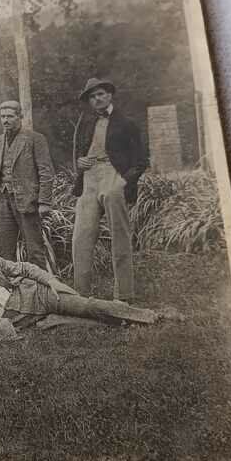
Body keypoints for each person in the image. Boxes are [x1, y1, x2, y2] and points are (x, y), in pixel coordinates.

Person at [0, 241, 166, 342]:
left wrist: (51, 281)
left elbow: (25, 267)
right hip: (19, 322)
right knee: (84, 323)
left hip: (38, 295)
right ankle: (126, 320)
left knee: (87, 306)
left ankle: (151, 316)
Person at [71, 77, 147, 303]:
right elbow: (77, 153)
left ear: (110, 95)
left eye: (101, 94)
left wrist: (125, 181)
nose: (97, 99)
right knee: (81, 236)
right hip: (89, 179)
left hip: (114, 176)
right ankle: (80, 295)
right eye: (93, 97)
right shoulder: (84, 122)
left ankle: (123, 296)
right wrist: (79, 162)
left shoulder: (126, 123)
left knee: (119, 236)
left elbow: (142, 160)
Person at [0, 100, 54, 269]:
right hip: (3, 200)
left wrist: (44, 202)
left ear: (20, 117)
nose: (6, 120)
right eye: (3, 117)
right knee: (4, 250)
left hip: (28, 201)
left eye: (10, 116)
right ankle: (9, 287)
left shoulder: (35, 139)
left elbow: (46, 172)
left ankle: (41, 287)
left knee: (35, 249)